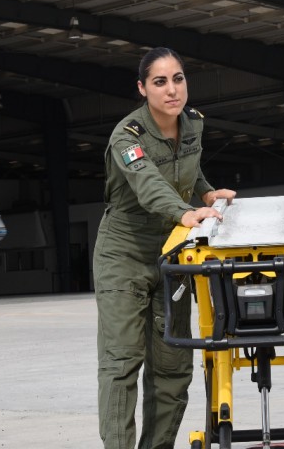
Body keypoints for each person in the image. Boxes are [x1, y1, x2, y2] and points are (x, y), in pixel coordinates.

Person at [93, 46, 236, 449]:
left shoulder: (193, 123)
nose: (172, 90)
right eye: (160, 82)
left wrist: (206, 195)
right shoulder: (127, 136)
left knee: (173, 366)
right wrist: (185, 213)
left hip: (172, 257)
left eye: (178, 79)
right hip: (124, 255)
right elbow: (148, 183)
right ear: (143, 88)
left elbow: (187, 170)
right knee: (122, 363)